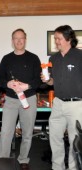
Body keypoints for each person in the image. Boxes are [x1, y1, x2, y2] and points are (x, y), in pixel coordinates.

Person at [0, 28, 41, 170]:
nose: (19, 41)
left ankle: (23, 159)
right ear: (12, 41)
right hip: (10, 100)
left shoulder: (34, 58)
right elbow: (0, 79)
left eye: (21, 38)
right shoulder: (6, 58)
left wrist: (26, 86)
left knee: (27, 132)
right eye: (16, 38)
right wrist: (8, 84)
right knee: (6, 132)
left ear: (25, 40)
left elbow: (39, 81)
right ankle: (3, 159)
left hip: (29, 99)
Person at [41, 25, 82, 170]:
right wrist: (47, 80)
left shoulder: (79, 56)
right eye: (55, 38)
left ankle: (73, 168)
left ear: (68, 38)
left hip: (76, 105)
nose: (56, 41)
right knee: (54, 138)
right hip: (58, 104)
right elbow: (53, 82)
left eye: (58, 38)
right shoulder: (54, 58)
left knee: (74, 140)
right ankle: (57, 167)